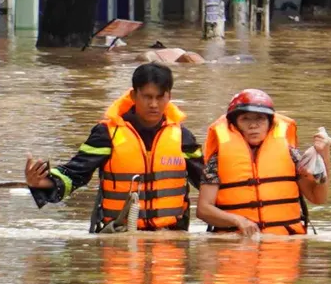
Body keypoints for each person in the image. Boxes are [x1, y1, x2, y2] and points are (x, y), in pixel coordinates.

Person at [24, 63, 205, 232]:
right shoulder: (107, 134)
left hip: (171, 237)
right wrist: (43, 183)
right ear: (134, 96)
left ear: (169, 97)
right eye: (147, 97)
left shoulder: (183, 137)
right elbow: (76, 172)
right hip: (118, 234)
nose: (154, 104)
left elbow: (206, 181)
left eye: (160, 97)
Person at [197, 89, 331, 236]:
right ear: (235, 124)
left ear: (270, 123)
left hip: (285, 242)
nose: (253, 125)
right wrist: (238, 221)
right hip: (238, 243)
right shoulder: (216, 160)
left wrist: (323, 154)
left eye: (260, 119)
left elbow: (317, 197)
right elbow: (204, 210)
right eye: (245, 119)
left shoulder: (291, 155)